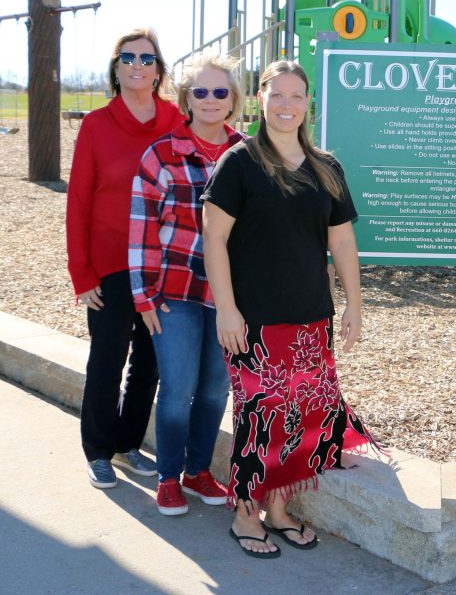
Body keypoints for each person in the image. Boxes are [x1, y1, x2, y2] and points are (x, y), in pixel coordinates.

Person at [202, 60, 381, 558]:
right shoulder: (238, 163)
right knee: (259, 416)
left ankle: (279, 510)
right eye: (276, 95)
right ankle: (245, 514)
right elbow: (214, 239)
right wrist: (226, 310)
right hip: (253, 320)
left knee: (300, 417)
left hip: (310, 319)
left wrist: (353, 305)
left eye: (296, 96)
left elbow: (343, 242)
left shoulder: (327, 166)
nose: (286, 105)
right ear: (260, 98)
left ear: (308, 103)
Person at [67, 28, 186, 488]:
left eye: (147, 58)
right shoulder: (97, 125)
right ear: (116, 68)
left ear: (159, 70)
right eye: (128, 57)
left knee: (151, 360)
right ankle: (98, 448)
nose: (138, 65)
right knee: (108, 357)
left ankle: (127, 443)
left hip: (161, 265)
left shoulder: (177, 121)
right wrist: (82, 273)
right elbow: (78, 202)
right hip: (111, 266)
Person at [129, 53, 247, 515]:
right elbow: (141, 226)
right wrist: (143, 295)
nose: (211, 100)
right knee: (177, 387)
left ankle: (199, 472)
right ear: (186, 98)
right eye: (201, 91)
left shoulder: (249, 154)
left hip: (229, 298)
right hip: (174, 293)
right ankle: (168, 477)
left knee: (216, 388)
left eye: (221, 91)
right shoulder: (160, 154)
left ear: (234, 98)